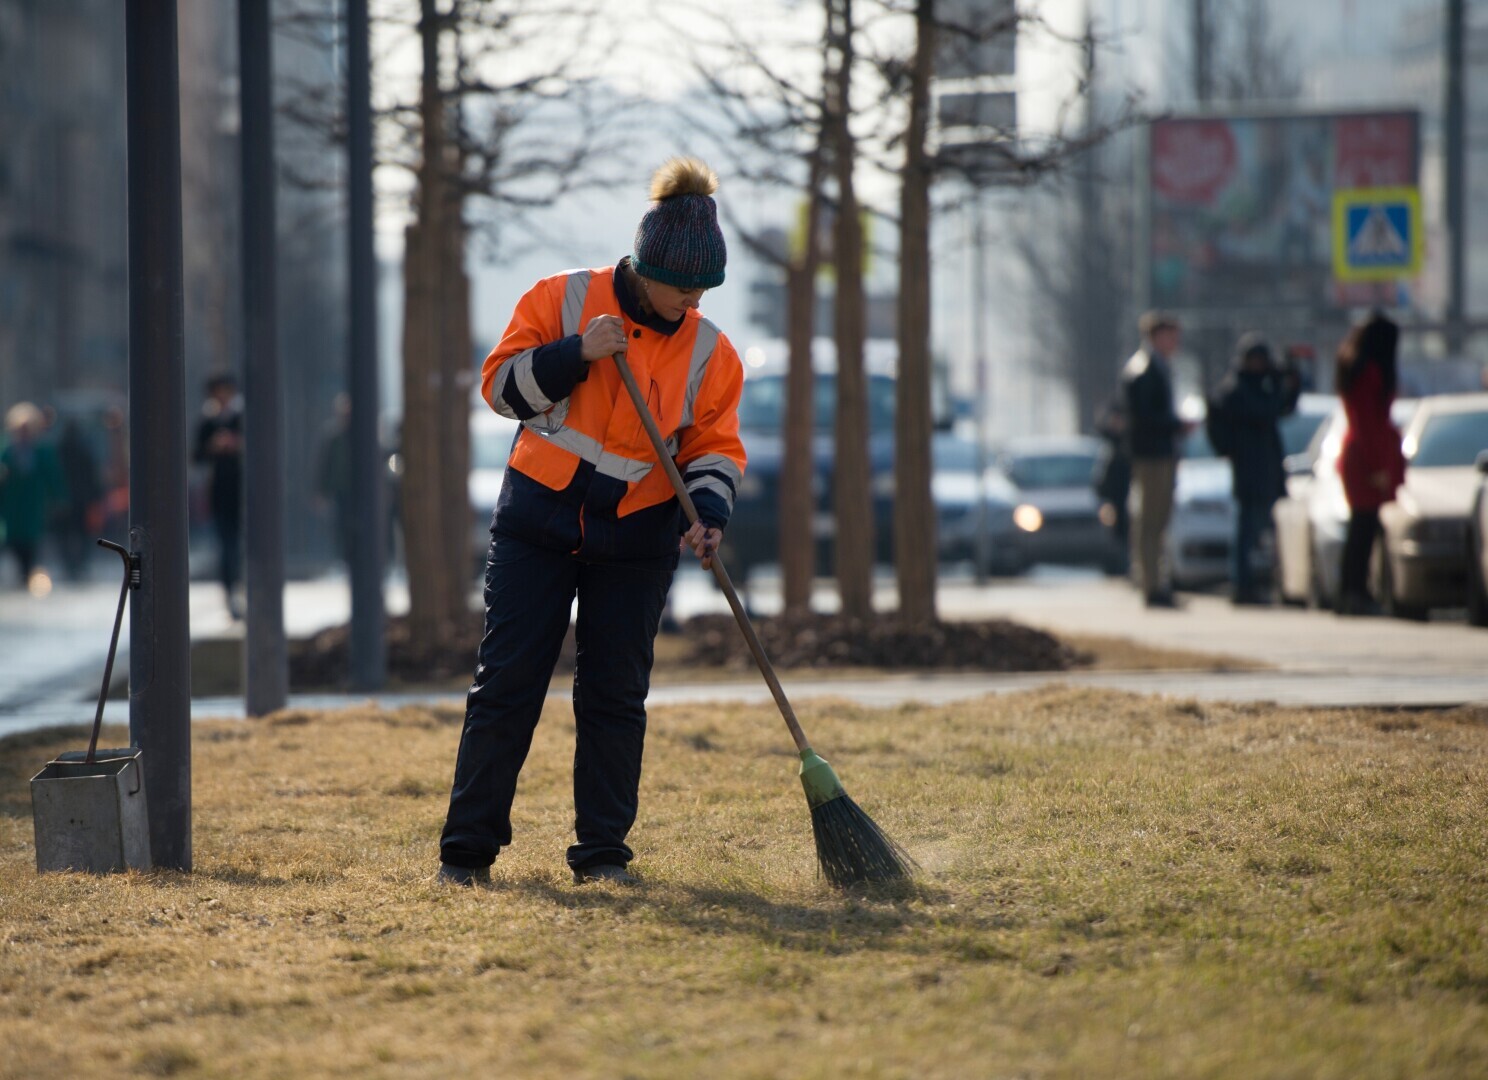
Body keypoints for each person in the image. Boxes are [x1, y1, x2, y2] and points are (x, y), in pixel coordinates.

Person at [436, 157, 747, 888]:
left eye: (704, 289)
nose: (693, 300)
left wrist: (707, 514)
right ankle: (466, 855)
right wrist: (575, 352)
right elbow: (500, 390)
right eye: (683, 287)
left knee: (615, 699)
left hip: (637, 539)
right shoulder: (561, 299)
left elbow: (714, 446)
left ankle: (603, 854)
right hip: (536, 528)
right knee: (506, 687)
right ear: (647, 268)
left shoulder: (711, 351)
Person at [1209, 333, 1300, 605]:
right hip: (1249, 471)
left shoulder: (1263, 386)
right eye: (1255, 361)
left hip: (1268, 469)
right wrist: (1277, 380)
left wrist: (1290, 379)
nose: (1260, 366)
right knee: (1248, 531)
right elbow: (1264, 410)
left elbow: (1285, 408)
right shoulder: (1237, 389)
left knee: (1266, 532)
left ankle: (1267, 583)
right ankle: (1243, 585)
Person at [1333, 311, 1405, 617]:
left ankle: (1354, 590)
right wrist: (1378, 467)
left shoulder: (1357, 366)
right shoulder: (1369, 373)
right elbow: (1368, 424)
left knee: (1363, 527)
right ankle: (1354, 591)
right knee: (1362, 528)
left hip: (1362, 453)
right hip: (1366, 457)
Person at [1120, 311, 1186, 608]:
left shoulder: (1156, 367)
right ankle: (1151, 584)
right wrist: (1176, 425)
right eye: (1170, 336)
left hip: (1160, 452)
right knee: (1150, 521)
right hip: (1151, 455)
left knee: (1158, 521)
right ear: (1157, 336)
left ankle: (1156, 581)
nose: (1175, 342)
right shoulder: (1144, 369)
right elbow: (1143, 417)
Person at [193, 374, 244, 619]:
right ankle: (230, 591)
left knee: (241, 544)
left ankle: (242, 588)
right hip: (220, 493)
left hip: (244, 491)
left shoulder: (242, 417)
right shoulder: (208, 422)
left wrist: (237, 445)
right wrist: (213, 447)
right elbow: (197, 457)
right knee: (226, 545)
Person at [0, 402, 66, 588]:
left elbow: (54, 477)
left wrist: (60, 499)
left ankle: (26, 575)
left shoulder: (42, 452)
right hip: (11, 508)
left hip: (32, 507)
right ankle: (19, 575)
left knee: (30, 545)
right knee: (12, 542)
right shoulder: (7, 451)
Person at [54, 417, 103, 581]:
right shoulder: (80, 451)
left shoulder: (61, 451)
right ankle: (77, 564)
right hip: (77, 499)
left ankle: (72, 564)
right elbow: (93, 476)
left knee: (68, 534)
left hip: (68, 500)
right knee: (79, 534)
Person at [1091, 393, 1131, 573]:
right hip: (1114, 495)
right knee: (1117, 533)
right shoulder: (1112, 442)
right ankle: (1120, 567)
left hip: (1127, 491)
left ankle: (1127, 567)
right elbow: (1101, 429)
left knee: (1128, 531)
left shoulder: (1128, 441)